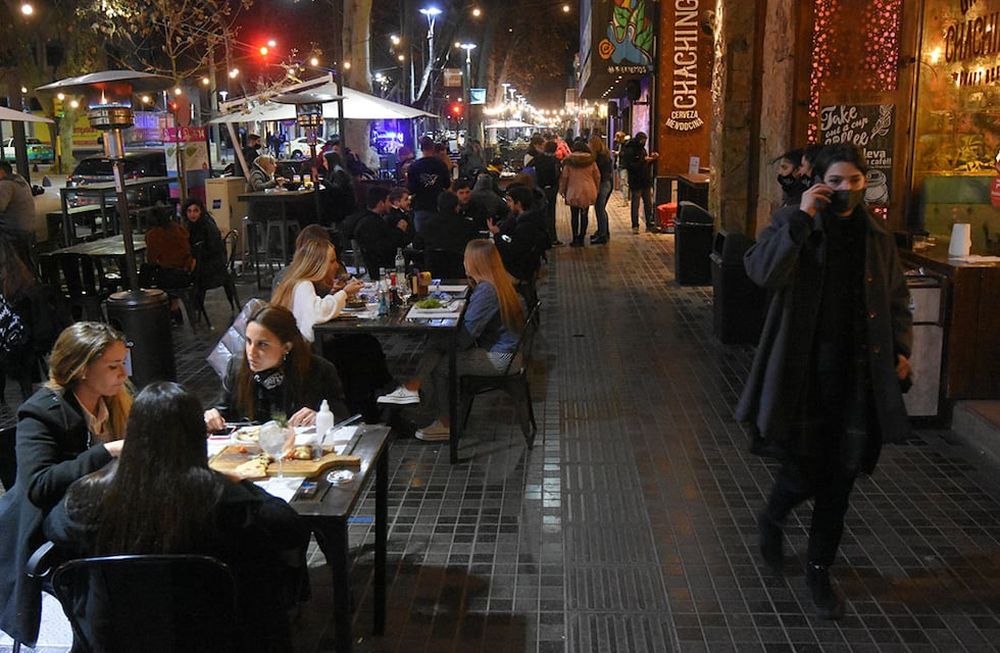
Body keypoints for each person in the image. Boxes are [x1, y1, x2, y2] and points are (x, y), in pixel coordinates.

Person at [735, 143, 913, 621]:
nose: (846, 191)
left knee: (842, 478)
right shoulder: (795, 222)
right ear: (818, 182)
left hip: (858, 374)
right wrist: (800, 218)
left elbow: (896, 298)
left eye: (855, 182)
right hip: (804, 372)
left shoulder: (875, 235)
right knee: (805, 469)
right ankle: (774, 515)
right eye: (836, 182)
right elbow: (760, 272)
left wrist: (901, 350)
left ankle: (819, 570)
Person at [45, 381, 308, 652]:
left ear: (133, 434)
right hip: (216, 634)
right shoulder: (223, 496)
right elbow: (290, 528)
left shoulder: (89, 494)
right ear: (197, 436)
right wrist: (243, 484)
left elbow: (54, 528)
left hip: (117, 635)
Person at [0, 322, 132, 647]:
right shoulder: (41, 413)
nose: (123, 375)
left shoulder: (115, 399)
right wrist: (105, 452)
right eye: (113, 367)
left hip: (99, 513)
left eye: (123, 364)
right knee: (116, 569)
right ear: (82, 369)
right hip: (49, 529)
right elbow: (39, 485)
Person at [377, 239, 525, 441]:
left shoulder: (486, 292)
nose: (463, 263)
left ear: (474, 263)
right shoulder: (496, 283)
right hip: (508, 351)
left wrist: (438, 338)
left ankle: (442, 421)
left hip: (502, 358)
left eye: (465, 259)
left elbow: (465, 337)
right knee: (436, 349)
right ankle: (414, 393)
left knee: (442, 363)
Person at [205, 304, 347, 428]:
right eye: (248, 341)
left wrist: (321, 417)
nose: (251, 352)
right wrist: (213, 417)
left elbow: (345, 421)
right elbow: (223, 412)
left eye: (262, 344)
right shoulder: (237, 367)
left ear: (286, 347)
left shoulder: (319, 371)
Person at [271, 239, 363, 343]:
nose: (337, 266)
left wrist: (333, 294)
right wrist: (345, 293)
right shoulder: (304, 285)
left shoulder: (296, 282)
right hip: (307, 353)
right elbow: (316, 315)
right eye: (332, 261)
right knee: (367, 343)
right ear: (318, 265)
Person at [489, 185, 549, 284]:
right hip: (525, 266)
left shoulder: (526, 226)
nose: (507, 204)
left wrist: (497, 236)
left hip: (518, 270)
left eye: (509, 201)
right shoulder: (526, 218)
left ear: (518, 204)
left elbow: (512, 251)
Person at [352, 186, 409, 280]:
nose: (390, 205)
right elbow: (384, 247)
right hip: (383, 271)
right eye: (388, 201)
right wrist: (399, 231)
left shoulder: (371, 220)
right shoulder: (371, 223)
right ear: (381, 203)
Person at [558, 141, 601, 247]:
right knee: (584, 214)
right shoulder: (591, 161)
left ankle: (575, 238)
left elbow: (564, 178)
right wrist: (596, 188)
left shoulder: (569, 162)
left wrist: (562, 190)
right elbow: (597, 176)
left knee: (574, 215)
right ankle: (582, 237)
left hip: (573, 190)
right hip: (588, 189)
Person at [407, 136, 452, 233]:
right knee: (437, 237)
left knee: (421, 238)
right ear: (433, 148)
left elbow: (411, 188)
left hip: (420, 206)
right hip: (437, 206)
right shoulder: (441, 165)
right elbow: (447, 185)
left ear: (421, 149)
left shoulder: (413, 167)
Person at [0, 160, 36, 268]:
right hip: (25, 230)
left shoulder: (5, 185)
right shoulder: (20, 181)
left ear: (1, 172)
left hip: (11, 232)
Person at [621, 131, 659, 233]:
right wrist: (643, 161)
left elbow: (644, 164)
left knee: (648, 203)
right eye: (643, 140)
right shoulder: (630, 150)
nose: (644, 142)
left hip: (645, 180)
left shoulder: (642, 150)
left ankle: (649, 224)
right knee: (636, 204)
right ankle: (635, 225)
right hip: (636, 181)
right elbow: (630, 166)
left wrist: (652, 160)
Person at [534, 141, 561, 246]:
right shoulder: (555, 161)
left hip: (540, 188)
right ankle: (552, 238)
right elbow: (557, 175)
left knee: (541, 213)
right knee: (551, 213)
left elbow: (529, 168)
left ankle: (542, 239)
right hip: (552, 189)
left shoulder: (537, 159)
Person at [320, 150, 357, 225]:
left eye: (325, 161)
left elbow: (337, 191)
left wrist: (323, 181)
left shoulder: (338, 172)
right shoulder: (334, 171)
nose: (324, 164)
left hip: (342, 205)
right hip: (340, 203)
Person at [589, 134, 614, 244]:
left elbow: (599, 174)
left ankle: (603, 235)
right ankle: (603, 231)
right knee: (601, 208)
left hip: (603, 183)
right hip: (607, 182)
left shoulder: (599, 158)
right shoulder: (605, 154)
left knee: (599, 208)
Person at [612, 131, 630, 204]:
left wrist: (618, 153)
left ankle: (625, 200)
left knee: (624, 182)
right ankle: (624, 198)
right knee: (621, 183)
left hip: (624, 166)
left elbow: (626, 154)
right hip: (619, 165)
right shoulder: (618, 145)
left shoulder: (626, 145)